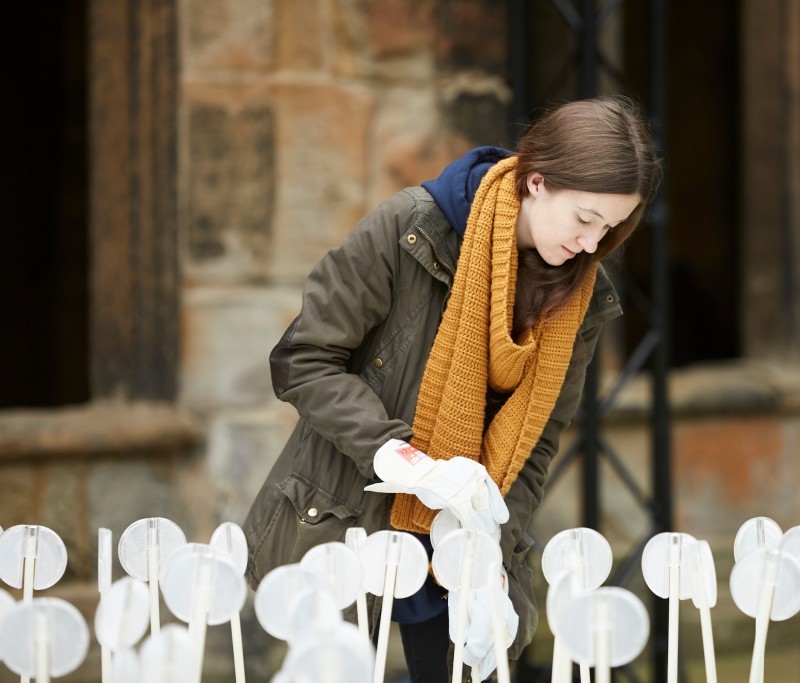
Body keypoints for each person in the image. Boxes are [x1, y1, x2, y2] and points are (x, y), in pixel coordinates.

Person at [242, 95, 662, 682]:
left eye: (611, 229)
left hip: (466, 541)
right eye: (585, 219)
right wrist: (398, 455)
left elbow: (537, 446)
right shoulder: (409, 227)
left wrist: (492, 550)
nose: (592, 245)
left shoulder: (580, 296)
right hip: (346, 513)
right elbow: (303, 358)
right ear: (536, 183)